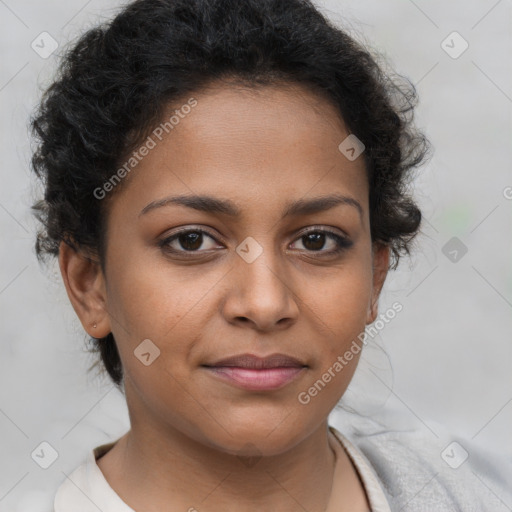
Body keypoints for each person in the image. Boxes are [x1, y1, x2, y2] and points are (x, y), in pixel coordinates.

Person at [30, 0, 500, 510]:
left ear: (375, 277)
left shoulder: (461, 492)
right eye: (191, 240)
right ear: (89, 284)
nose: (264, 302)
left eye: (317, 240)